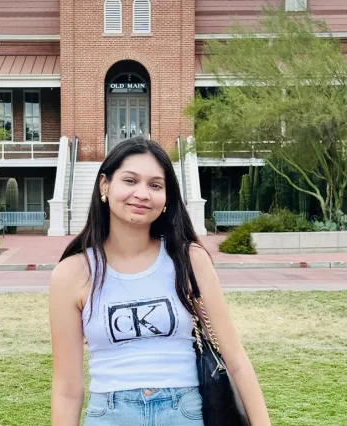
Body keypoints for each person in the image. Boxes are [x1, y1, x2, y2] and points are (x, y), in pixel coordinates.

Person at [49, 136, 271, 426]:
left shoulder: (189, 259)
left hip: (184, 412)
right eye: (130, 180)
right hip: (110, 414)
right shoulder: (71, 274)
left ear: (167, 199)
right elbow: (67, 390)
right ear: (105, 185)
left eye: (155, 185)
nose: (142, 193)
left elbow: (236, 358)